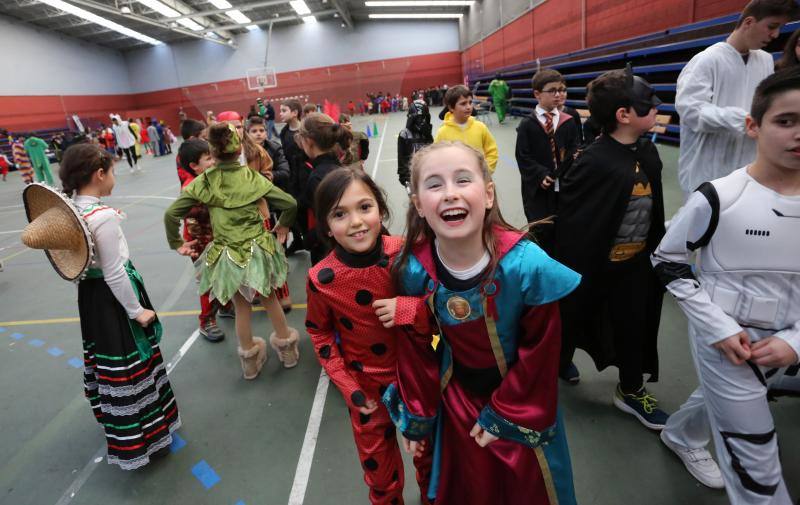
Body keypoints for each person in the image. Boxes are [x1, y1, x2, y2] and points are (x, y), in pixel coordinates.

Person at [383, 141, 580, 505]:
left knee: (528, 487)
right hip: (455, 399)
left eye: (462, 180)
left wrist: (505, 415)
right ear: (418, 205)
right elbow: (417, 350)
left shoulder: (526, 267)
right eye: (434, 184)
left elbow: (540, 354)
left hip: (519, 401)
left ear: (488, 194)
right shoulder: (413, 270)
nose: (450, 194)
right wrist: (417, 413)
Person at [653, 67, 800, 502]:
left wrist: (795, 341)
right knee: (756, 464)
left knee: (737, 397)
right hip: (726, 344)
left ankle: (680, 434)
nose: (797, 134)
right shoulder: (719, 196)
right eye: (785, 121)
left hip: (786, 346)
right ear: (753, 126)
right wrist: (717, 328)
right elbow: (668, 262)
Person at [23, 143, 181, 469]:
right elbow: (114, 272)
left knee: (107, 362)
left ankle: (124, 428)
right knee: (130, 360)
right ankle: (146, 436)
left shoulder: (71, 214)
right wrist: (137, 311)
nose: (114, 177)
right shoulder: (102, 216)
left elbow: (84, 268)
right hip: (114, 300)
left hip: (91, 298)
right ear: (99, 174)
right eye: (112, 171)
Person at [305, 167, 432, 505]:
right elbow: (319, 334)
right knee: (380, 477)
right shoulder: (322, 278)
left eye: (365, 207)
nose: (357, 221)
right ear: (327, 227)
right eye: (340, 214)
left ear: (381, 209)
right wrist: (349, 388)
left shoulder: (406, 252)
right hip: (366, 393)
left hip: (418, 383)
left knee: (431, 461)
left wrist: (411, 309)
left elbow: (440, 305)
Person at [555, 67, 669, 428]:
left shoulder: (648, 154)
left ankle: (631, 388)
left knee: (634, 325)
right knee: (569, 319)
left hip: (634, 265)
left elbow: (654, 213)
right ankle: (555, 362)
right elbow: (573, 221)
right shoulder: (592, 161)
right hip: (590, 266)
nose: (656, 110)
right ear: (624, 115)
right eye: (648, 106)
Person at [164, 123, 300, 379]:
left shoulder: (205, 181)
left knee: (241, 307)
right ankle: (288, 350)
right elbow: (289, 203)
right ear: (239, 150)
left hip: (227, 254)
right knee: (270, 298)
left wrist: (176, 242)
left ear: (212, 153)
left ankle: (249, 360)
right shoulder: (250, 177)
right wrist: (283, 224)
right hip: (258, 249)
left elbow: (172, 213)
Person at [676, 0, 796, 194]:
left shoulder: (765, 61)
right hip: (707, 168)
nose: (775, 35)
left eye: (779, 28)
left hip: (749, 167)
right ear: (748, 22)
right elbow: (692, 111)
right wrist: (745, 120)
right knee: (706, 219)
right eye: (772, 26)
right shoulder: (707, 60)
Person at [515, 69, 580, 253]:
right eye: (552, 91)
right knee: (541, 227)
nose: (558, 94)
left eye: (561, 89)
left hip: (565, 184)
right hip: (538, 189)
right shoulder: (527, 124)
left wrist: (571, 162)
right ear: (537, 94)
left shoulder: (569, 120)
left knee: (564, 225)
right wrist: (540, 174)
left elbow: (575, 147)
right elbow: (523, 156)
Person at [176, 139, 225, 343]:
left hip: (216, 239)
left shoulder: (209, 178)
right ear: (194, 166)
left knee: (224, 275)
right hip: (201, 244)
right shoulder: (190, 188)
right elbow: (192, 218)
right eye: (208, 159)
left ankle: (226, 306)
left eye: (213, 156)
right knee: (208, 282)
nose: (213, 161)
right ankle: (206, 320)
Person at [247, 116, 293, 312]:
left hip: (268, 208)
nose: (258, 134)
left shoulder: (271, 149)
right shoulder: (237, 153)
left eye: (261, 130)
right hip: (246, 216)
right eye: (254, 130)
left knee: (273, 252)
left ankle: (282, 293)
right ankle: (258, 291)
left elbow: (284, 171)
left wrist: (271, 176)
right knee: (253, 256)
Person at [296, 113, 352, 265]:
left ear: (308, 141)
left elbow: (328, 221)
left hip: (329, 252)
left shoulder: (317, 177)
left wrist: (308, 239)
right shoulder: (340, 168)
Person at [434, 85, 499, 173]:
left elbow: (492, 151)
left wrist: (486, 171)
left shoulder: (480, 127)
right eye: (463, 103)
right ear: (451, 108)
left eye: (470, 102)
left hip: (480, 178)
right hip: (456, 181)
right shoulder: (443, 132)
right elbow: (437, 158)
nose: (469, 107)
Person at [279, 99, 309, 255]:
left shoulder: (306, 130)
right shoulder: (284, 132)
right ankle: (298, 241)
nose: (280, 114)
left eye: (284, 110)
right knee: (294, 211)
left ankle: (312, 240)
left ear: (295, 112)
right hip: (292, 179)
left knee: (308, 210)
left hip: (306, 176)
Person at [397, 100, 433, 188]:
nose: (422, 121)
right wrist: (404, 176)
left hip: (427, 173)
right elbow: (401, 157)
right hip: (412, 176)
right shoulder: (404, 134)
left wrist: (428, 135)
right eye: (420, 118)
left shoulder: (426, 132)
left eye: (424, 118)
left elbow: (432, 152)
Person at [177, 119, 207, 186]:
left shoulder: (201, 150)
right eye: (203, 137)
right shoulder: (184, 155)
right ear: (192, 138)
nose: (206, 140)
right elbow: (186, 176)